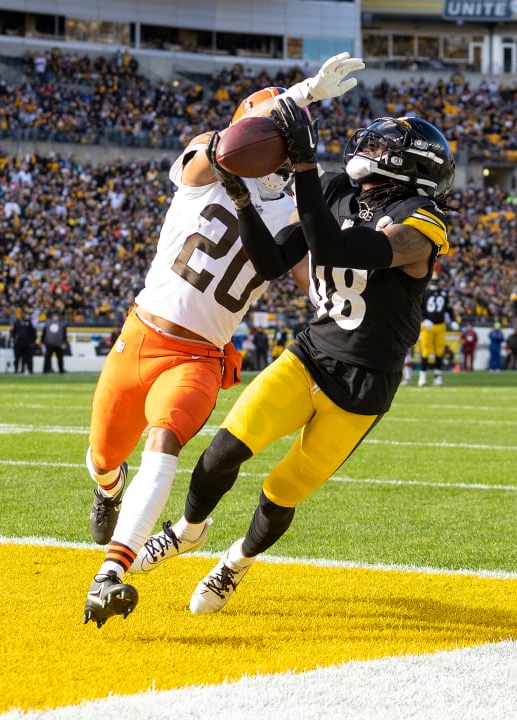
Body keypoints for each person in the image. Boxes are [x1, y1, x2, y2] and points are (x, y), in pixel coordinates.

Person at [127, 102, 454, 617]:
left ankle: (236, 562)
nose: (366, 151)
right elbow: (273, 261)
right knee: (222, 453)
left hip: (365, 386)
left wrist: (304, 168)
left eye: (381, 147)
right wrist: (241, 201)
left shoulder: (421, 223)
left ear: (412, 164)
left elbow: (337, 250)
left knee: (281, 492)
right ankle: (188, 531)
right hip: (310, 356)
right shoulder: (335, 190)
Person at [82, 53, 366, 628]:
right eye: (273, 137)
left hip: (200, 356)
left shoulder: (291, 210)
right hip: (141, 335)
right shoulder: (200, 164)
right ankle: (110, 489)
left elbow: (314, 279)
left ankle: (110, 572)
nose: (280, 151)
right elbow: (223, 149)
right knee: (103, 457)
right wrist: (304, 93)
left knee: (163, 447)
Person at [417, 280, 451, 386]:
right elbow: (418, 309)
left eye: (436, 281)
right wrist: (423, 320)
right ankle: (422, 377)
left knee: (439, 351)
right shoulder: (424, 293)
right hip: (427, 326)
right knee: (426, 351)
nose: (435, 283)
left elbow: (447, 309)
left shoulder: (444, 293)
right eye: (433, 281)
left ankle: (438, 377)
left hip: (440, 325)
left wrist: (453, 320)